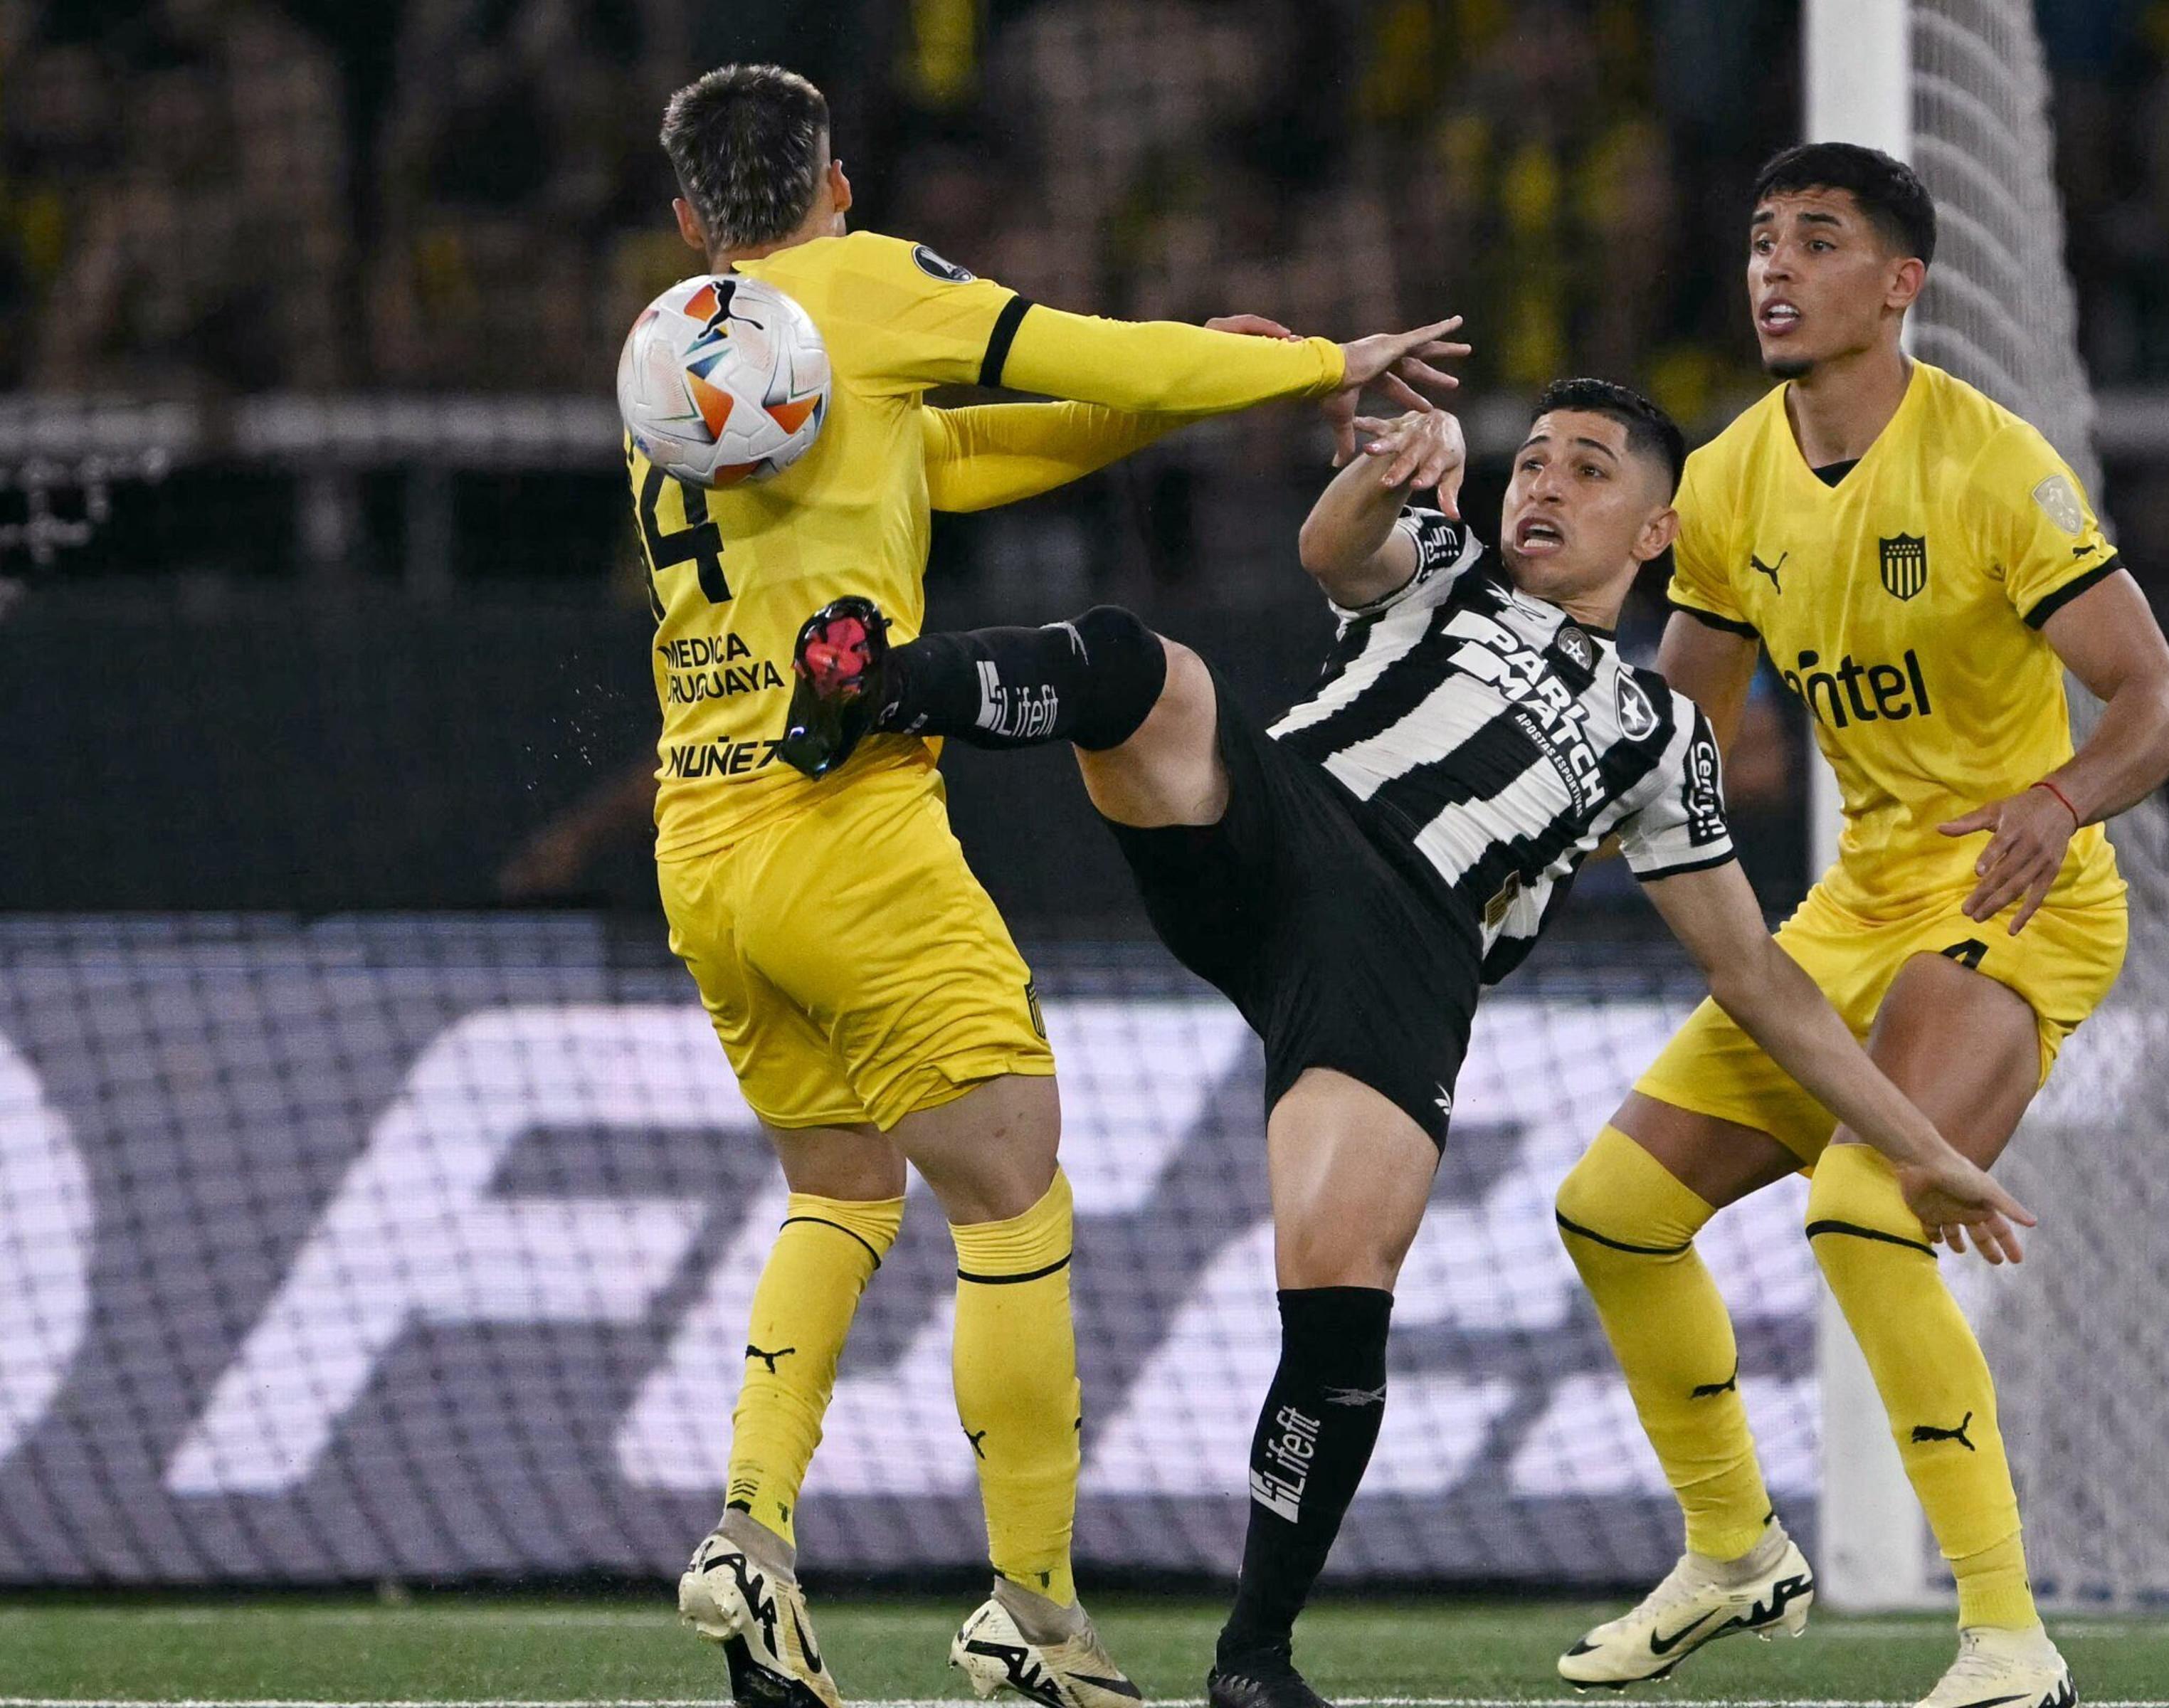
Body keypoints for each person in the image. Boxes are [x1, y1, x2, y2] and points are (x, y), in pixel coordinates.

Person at [776, 381, 2039, 1708]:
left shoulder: (1663, 737)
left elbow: (1758, 980)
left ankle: (1251, 1662)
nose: (1544, 485)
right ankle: (877, 683)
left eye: (1590, 471)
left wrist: (1923, 1149)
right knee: (1141, 671)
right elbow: (1331, 548)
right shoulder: (1446, 569)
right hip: (1278, 820)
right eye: (1533, 460)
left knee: (1337, 1305)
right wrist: (1384, 473)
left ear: (1659, 532)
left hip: (1400, 957)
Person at [637, 63, 1466, 1708]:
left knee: (843, 1191)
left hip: (703, 842)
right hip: (847, 824)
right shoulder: (858, 288)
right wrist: (1317, 359)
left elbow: (972, 455)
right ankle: (1033, 1607)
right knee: (1016, 1197)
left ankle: (752, 1533)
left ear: (686, 221)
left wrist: (1193, 395)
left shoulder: (688, 364)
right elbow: (1065, 345)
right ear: (839, 183)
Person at [1547, 144, 2169, 1708]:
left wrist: (2057, 802)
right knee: (1610, 1210)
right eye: (1761, 239)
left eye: (1819, 241)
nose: (1775, 268)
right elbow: (1688, 715)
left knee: (1860, 1211)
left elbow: (2161, 705)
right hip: (1853, 903)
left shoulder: (1990, 465)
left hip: (2013, 896)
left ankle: (2007, 1639)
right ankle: (1733, 1552)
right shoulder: (1723, 482)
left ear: (1900, 285)